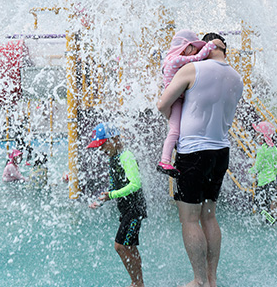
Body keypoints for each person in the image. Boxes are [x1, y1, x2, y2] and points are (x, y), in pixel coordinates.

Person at [157, 33, 243, 287]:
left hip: (193, 152)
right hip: (221, 151)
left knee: (190, 219)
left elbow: (163, 104)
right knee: (209, 216)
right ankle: (212, 279)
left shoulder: (192, 69)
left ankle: (198, 280)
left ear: (204, 46)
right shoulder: (237, 78)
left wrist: (175, 121)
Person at [87, 122, 147, 287]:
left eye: (103, 145)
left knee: (120, 246)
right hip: (128, 209)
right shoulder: (114, 158)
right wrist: (101, 201)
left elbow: (135, 184)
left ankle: (137, 283)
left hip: (134, 209)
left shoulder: (125, 156)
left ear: (114, 139)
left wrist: (112, 194)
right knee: (131, 247)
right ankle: (138, 282)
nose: (101, 150)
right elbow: (115, 186)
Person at [156, 29, 217, 177]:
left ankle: (174, 152)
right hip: (175, 99)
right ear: (186, 46)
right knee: (175, 130)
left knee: (179, 129)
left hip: (179, 98)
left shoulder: (173, 59)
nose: (196, 50)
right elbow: (197, 59)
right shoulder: (175, 60)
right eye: (194, 47)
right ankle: (164, 161)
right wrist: (209, 47)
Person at [249, 121, 277, 223]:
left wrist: (250, 170)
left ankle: (272, 222)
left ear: (263, 136)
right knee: (268, 202)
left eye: (257, 133)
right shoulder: (273, 148)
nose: (255, 135)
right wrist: (272, 173)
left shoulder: (262, 150)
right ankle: (272, 220)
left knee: (259, 204)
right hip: (272, 180)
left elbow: (258, 166)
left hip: (263, 182)